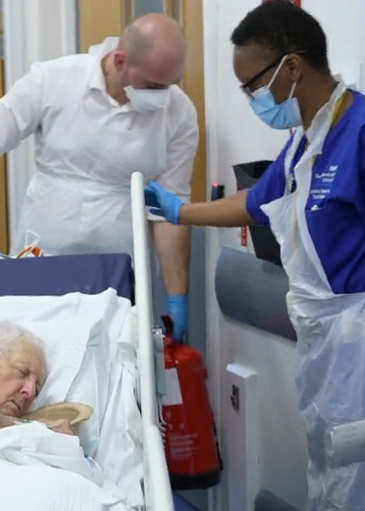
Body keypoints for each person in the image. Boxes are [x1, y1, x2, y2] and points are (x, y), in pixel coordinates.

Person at [143, 3, 365, 509]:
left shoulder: (360, 132)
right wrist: (181, 212)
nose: (251, 99)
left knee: (353, 477)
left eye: (252, 86)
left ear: (292, 66)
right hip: (322, 335)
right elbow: (257, 202)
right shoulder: (306, 139)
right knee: (329, 469)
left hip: (357, 337)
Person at [0, 13, 198, 341]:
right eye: (153, 86)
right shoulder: (54, 80)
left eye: (169, 86)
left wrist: (177, 295)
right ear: (119, 60)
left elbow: (170, 213)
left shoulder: (179, 113)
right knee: (31, 354)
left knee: (114, 367)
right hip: (44, 254)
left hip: (118, 271)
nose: (161, 96)